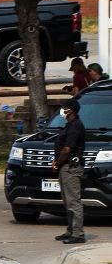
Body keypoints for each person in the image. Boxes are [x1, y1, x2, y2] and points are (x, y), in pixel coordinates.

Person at [54, 97, 89, 243]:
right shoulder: (69, 125)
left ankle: (78, 234)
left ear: (71, 110)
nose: (62, 110)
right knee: (67, 201)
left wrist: (57, 162)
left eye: (64, 107)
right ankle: (70, 230)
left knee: (74, 201)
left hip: (71, 168)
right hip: (65, 167)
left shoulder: (75, 126)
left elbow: (67, 149)